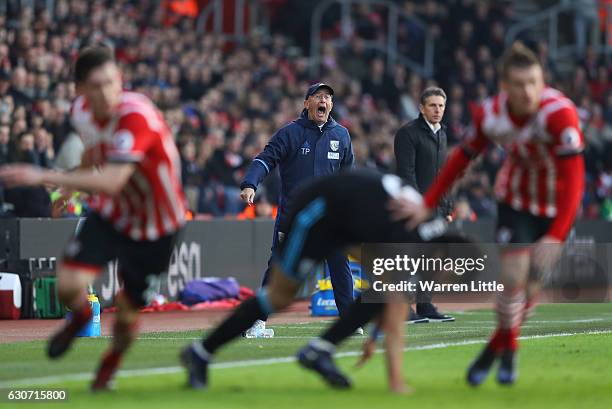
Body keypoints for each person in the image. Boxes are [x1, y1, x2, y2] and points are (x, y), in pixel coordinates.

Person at [390, 43, 585, 385]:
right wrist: (427, 201)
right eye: (519, 84)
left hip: (555, 205)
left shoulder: (560, 113)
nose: (528, 91)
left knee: (532, 287)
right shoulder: (491, 114)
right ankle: (510, 354)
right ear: (504, 86)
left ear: (543, 82)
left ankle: (492, 351)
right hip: (515, 201)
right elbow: (461, 160)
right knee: (512, 282)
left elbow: (575, 181)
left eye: (534, 82)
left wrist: (557, 234)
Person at [0, 46, 187, 391]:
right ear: (80, 90)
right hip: (115, 214)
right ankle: (83, 315)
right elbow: (94, 151)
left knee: (127, 313)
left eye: (113, 82)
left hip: (157, 225)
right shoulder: (81, 112)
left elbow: (113, 180)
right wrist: (73, 185)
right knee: (67, 286)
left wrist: (48, 177)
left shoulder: (136, 116)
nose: (108, 92)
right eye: (98, 85)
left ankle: (109, 364)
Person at [180, 169, 469, 392]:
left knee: (383, 290)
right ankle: (200, 352)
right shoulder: (411, 242)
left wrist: (373, 338)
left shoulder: (424, 234)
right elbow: (394, 309)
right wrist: (395, 382)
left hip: (351, 221)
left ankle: (319, 350)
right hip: (318, 210)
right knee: (280, 297)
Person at [239, 83, 356, 337]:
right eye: (317, 97)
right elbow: (265, 158)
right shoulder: (290, 133)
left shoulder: (342, 135)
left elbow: (349, 177)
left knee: (339, 265)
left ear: (331, 105)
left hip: (330, 217)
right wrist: (250, 183)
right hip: (295, 217)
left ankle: (349, 320)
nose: (323, 101)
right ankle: (257, 321)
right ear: (306, 103)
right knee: (278, 268)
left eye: (327, 97)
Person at [394, 86, 455, 323]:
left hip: (435, 209)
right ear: (421, 108)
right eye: (432, 105)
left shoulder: (441, 133)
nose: (437, 110)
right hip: (413, 208)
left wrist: (446, 207)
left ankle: (425, 304)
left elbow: (443, 175)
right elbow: (407, 174)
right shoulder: (407, 133)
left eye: (441, 105)